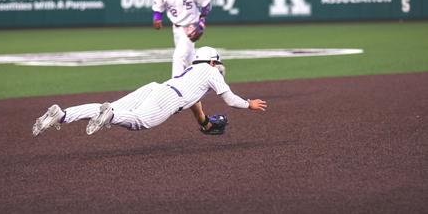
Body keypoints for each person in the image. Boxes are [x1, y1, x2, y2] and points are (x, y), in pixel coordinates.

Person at [32, 46, 267, 137]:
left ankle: (62, 114)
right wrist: (249, 104)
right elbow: (229, 99)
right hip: (167, 98)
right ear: (213, 62)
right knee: (137, 122)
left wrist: (205, 123)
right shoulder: (212, 71)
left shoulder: (191, 70)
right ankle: (110, 116)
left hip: (157, 88)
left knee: (110, 105)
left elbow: (196, 103)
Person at [152, 0, 212, 77]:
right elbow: (158, 9)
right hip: (176, 28)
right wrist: (157, 19)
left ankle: (174, 85)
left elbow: (206, 3)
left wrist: (202, 21)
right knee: (190, 59)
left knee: (178, 57)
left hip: (191, 27)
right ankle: (204, 78)